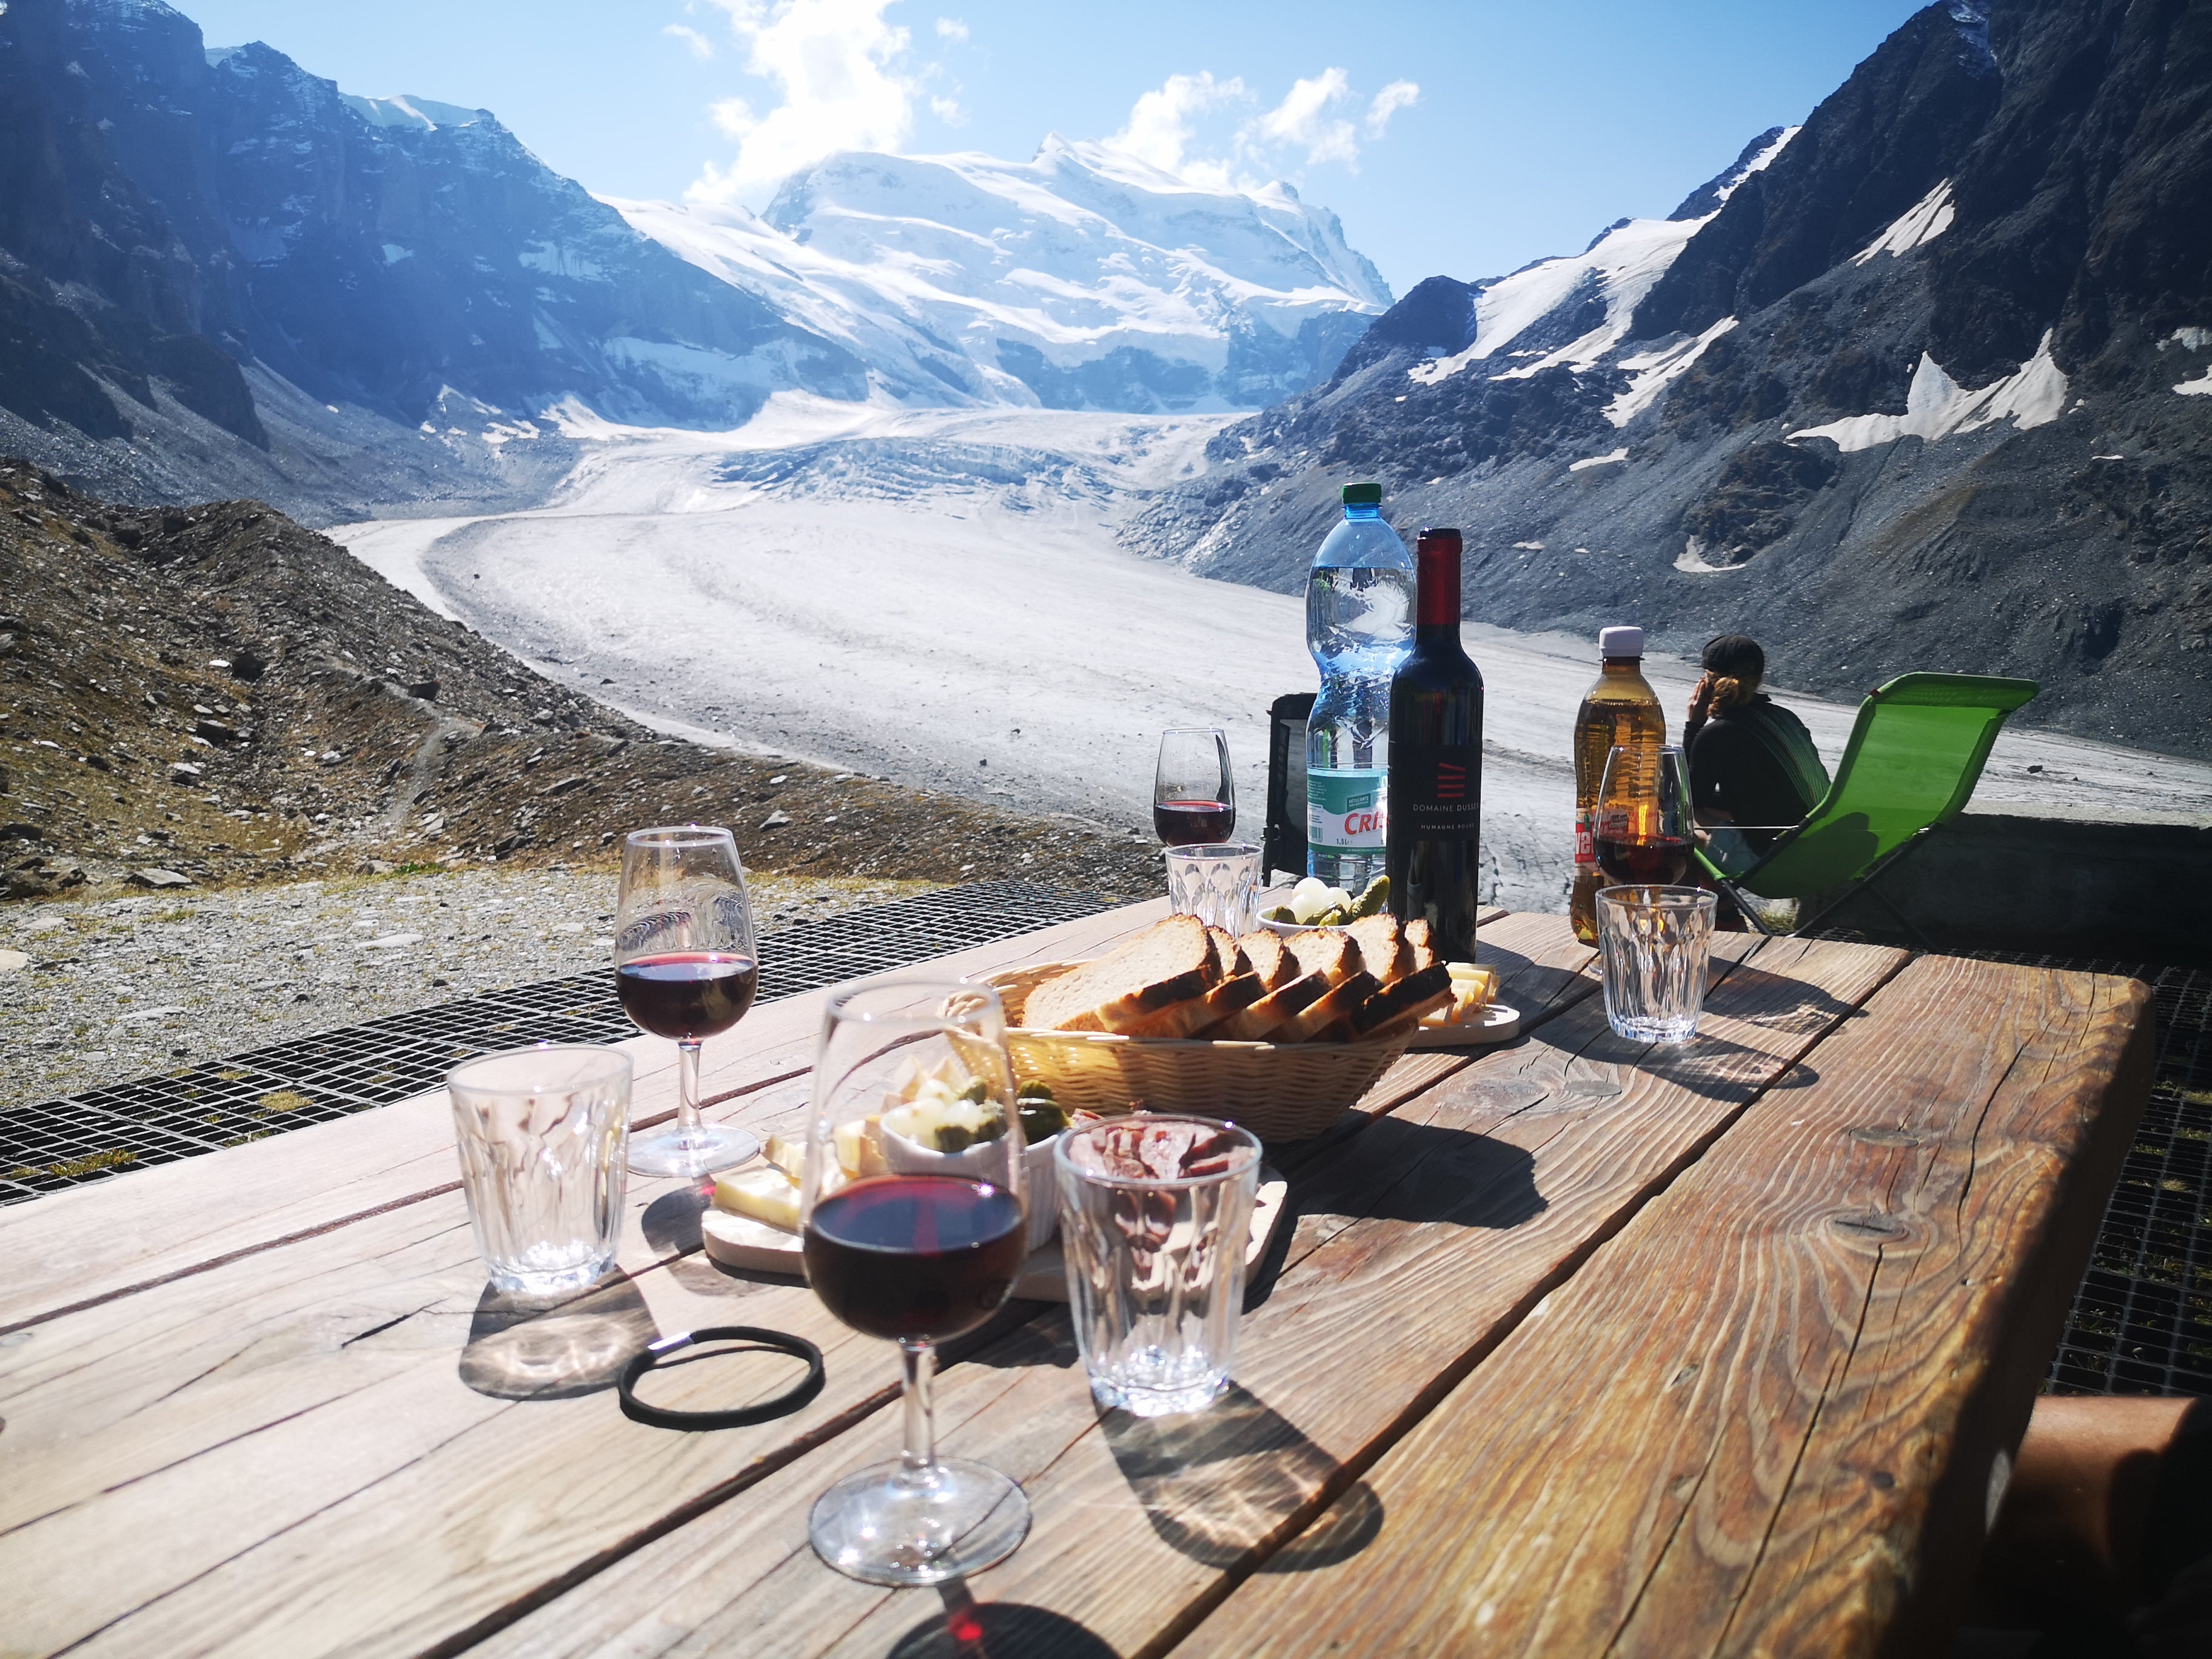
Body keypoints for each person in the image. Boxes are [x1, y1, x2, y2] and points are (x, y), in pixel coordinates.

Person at [1682, 634, 1829, 858]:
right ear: (1759, 678)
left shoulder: (1717, 734)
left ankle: (1711, 893)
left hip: (1769, 860)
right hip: (1820, 850)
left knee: (1672, 817)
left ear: (1706, 684)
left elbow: (1687, 798)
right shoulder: (1787, 718)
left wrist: (1693, 727)